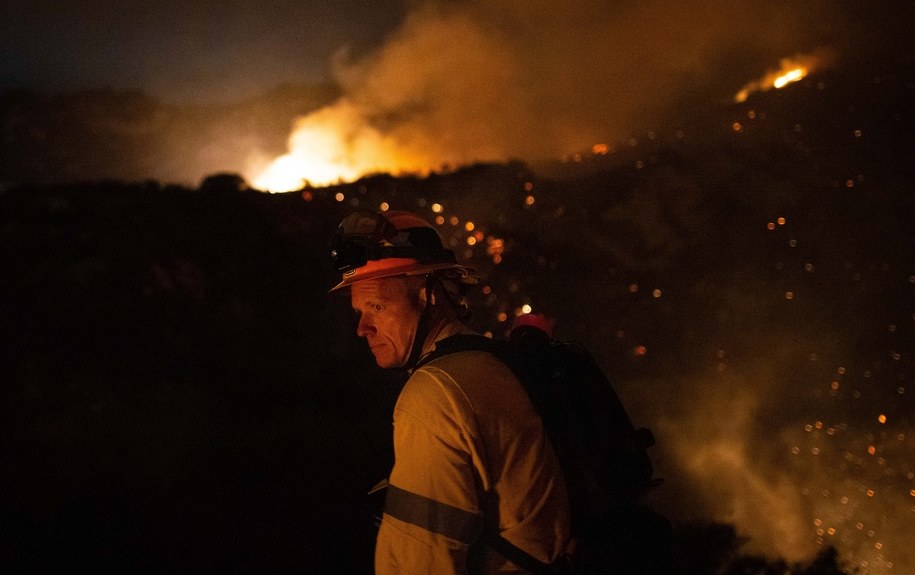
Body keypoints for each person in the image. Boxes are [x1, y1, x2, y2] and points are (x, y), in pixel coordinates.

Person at [330, 210, 571, 575]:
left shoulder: (435, 392)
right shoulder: (496, 361)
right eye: (360, 311)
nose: (363, 328)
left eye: (377, 306)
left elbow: (418, 564)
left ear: (428, 295)